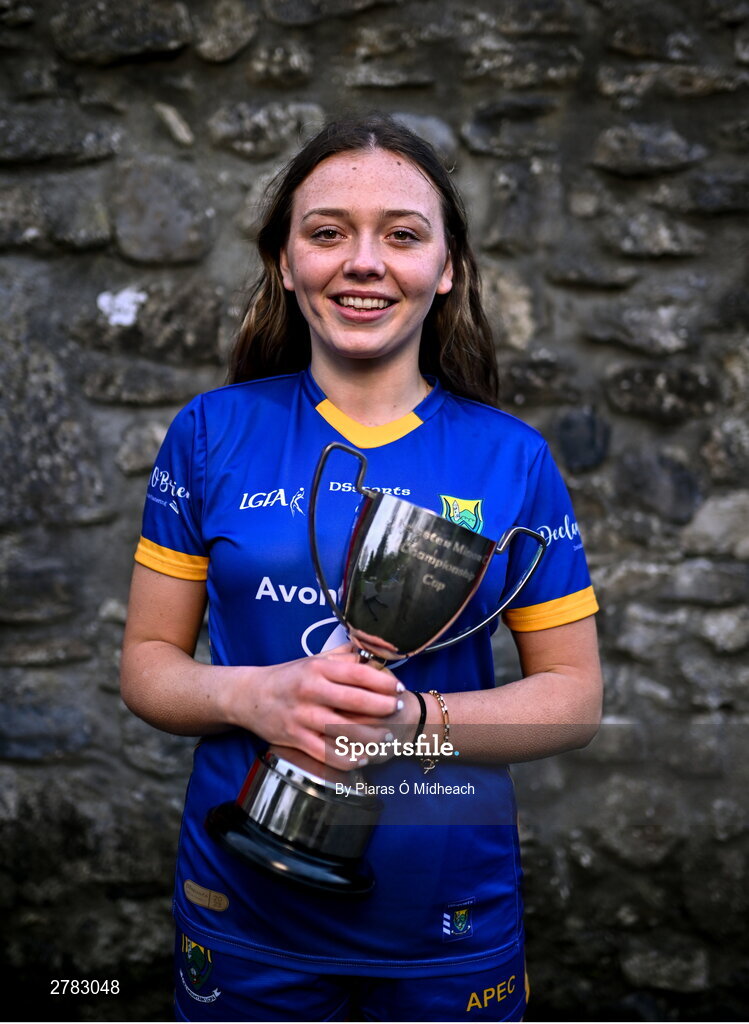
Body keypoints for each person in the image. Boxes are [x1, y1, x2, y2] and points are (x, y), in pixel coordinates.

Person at [121, 113, 603, 1023]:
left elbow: (572, 700)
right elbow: (147, 665)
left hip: (446, 912)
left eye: (403, 235)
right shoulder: (210, 434)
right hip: (243, 902)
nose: (364, 261)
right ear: (284, 259)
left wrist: (410, 723)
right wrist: (254, 698)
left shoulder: (512, 459)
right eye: (328, 231)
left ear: (446, 267)